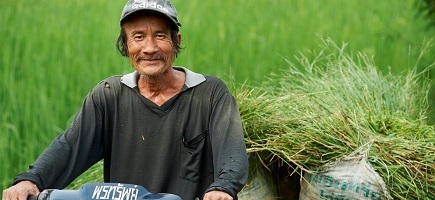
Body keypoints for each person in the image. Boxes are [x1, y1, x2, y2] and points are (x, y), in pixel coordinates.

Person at [1, 0, 248, 199]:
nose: (149, 48)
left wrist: (222, 188)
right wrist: (31, 180)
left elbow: (232, 154)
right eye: (138, 37)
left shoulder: (210, 94)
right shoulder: (109, 95)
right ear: (125, 45)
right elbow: (69, 147)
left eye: (160, 35)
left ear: (176, 42)